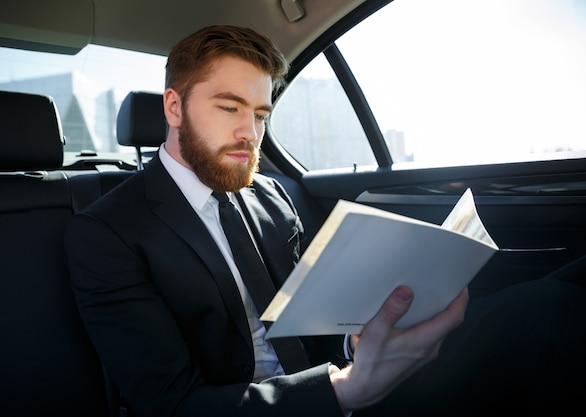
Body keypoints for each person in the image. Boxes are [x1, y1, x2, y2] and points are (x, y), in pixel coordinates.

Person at [65, 25, 586, 417]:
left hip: (347, 385)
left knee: (549, 306)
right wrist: (341, 390)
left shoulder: (271, 198)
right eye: (228, 108)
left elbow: (313, 320)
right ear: (174, 108)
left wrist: (355, 345)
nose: (250, 133)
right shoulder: (107, 232)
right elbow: (170, 404)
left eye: (262, 114)